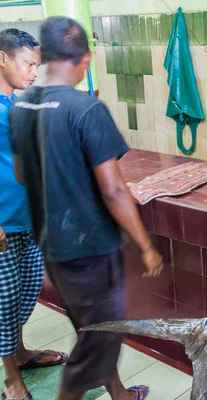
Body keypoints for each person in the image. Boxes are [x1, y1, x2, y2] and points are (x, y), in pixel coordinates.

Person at [9, 17, 163, 400]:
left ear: (43, 56)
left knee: (91, 328)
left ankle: (120, 394)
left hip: (52, 247)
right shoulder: (85, 109)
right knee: (100, 337)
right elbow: (113, 190)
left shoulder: (21, 105)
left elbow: (23, 175)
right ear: (86, 59)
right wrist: (145, 245)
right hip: (91, 249)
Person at [0, 28, 68, 400]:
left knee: (26, 292)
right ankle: (11, 379)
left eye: (37, 66)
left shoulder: (13, 104)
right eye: (28, 64)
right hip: (4, 225)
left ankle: (21, 352)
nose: (32, 73)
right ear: (2, 58)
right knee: (4, 299)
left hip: (27, 219)